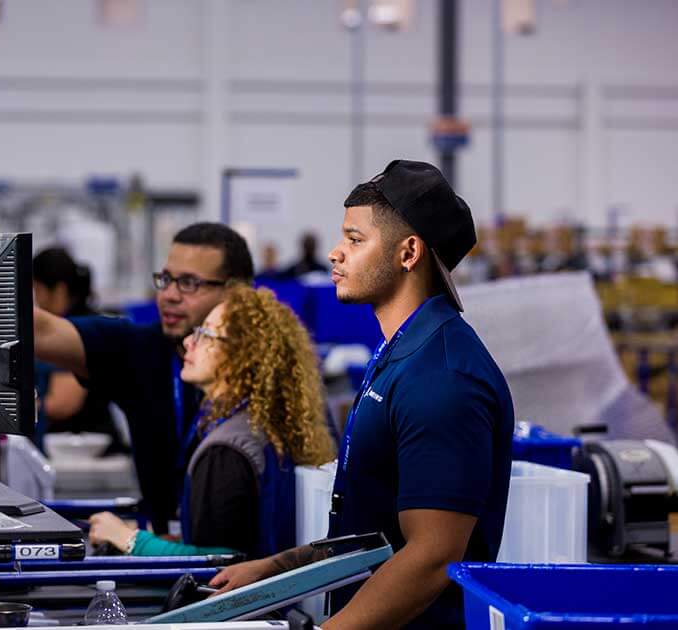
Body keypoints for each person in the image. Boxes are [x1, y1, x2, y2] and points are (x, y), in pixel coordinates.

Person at [209, 160, 515, 629]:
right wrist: (276, 569)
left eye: (355, 240)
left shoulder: (443, 377)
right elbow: (373, 535)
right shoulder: (402, 353)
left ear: (407, 253)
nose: (335, 253)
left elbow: (432, 557)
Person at [33, 223, 255, 533]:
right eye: (165, 280)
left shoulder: (270, 375)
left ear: (236, 293)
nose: (168, 296)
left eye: (189, 283)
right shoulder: (140, 350)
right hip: (170, 551)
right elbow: (42, 330)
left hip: (245, 566)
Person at [87, 285, 335, 557]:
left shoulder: (226, 451)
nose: (187, 343)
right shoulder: (263, 425)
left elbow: (218, 566)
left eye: (205, 335)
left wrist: (127, 538)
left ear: (241, 355)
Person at [31, 247, 127, 455]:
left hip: (88, 450)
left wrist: (18, 408)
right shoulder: (74, 322)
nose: (37, 301)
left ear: (59, 290)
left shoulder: (75, 331)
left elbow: (64, 403)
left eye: (37, 291)